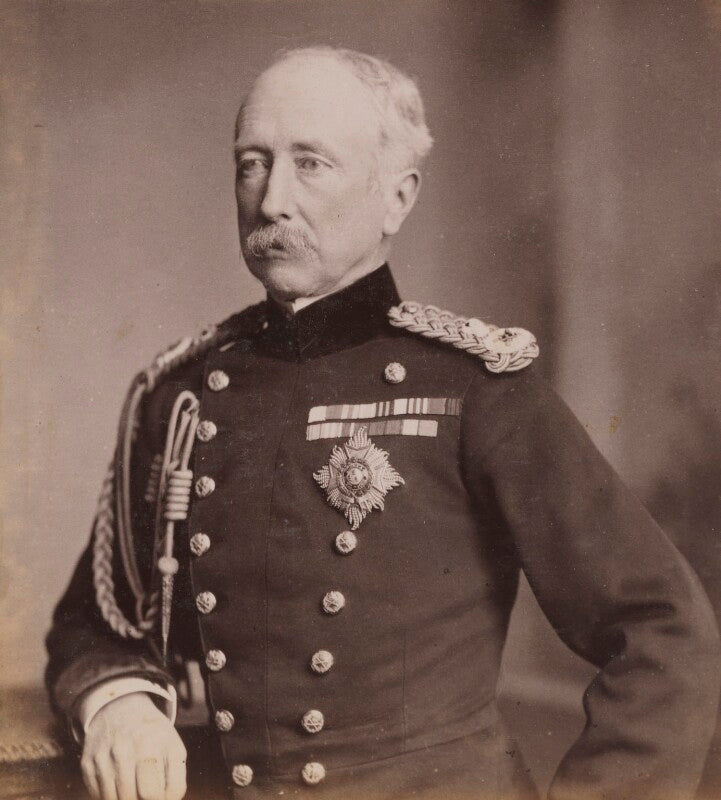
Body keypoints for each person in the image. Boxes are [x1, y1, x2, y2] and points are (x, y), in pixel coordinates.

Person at [46, 46, 721, 800]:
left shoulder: (474, 388)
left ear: (396, 199)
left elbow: (665, 630)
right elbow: (96, 619)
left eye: (311, 164)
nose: (271, 201)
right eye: (252, 164)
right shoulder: (182, 397)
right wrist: (119, 703)